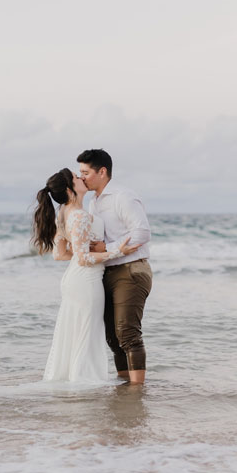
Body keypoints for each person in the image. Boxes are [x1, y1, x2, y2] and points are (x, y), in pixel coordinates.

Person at [32, 168, 140, 382]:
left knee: (76, 332)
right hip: (86, 281)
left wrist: (84, 249)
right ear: (70, 190)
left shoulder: (63, 213)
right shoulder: (79, 215)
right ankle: (84, 382)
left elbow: (60, 254)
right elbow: (83, 259)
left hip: (74, 280)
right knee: (87, 334)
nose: (80, 178)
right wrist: (117, 252)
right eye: (75, 177)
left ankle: (74, 379)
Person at [77, 150, 152, 385]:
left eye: (86, 173)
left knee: (127, 332)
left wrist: (105, 247)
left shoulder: (123, 196)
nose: (82, 178)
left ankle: (137, 390)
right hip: (107, 271)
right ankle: (124, 384)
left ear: (102, 172)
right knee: (112, 336)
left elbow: (142, 233)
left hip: (130, 270)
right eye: (80, 173)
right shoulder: (94, 200)